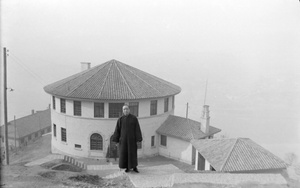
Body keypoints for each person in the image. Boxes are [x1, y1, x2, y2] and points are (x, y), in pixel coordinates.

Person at [112, 104, 143, 173]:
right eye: (124, 109)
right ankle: (127, 168)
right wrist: (116, 141)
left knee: (133, 154)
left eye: (127, 109)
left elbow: (137, 129)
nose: (125, 110)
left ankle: (134, 167)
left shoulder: (134, 118)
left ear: (129, 110)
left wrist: (138, 139)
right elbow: (117, 130)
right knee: (124, 154)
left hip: (132, 141)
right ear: (122, 111)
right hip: (123, 141)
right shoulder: (120, 119)